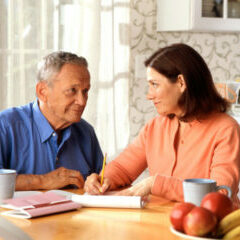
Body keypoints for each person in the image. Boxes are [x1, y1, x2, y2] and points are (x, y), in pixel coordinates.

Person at [84, 43, 240, 205]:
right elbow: (123, 168)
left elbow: (221, 193)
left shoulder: (226, 129)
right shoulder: (155, 127)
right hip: (161, 222)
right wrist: (102, 179)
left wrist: (155, 184)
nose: (149, 95)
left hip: (209, 227)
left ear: (181, 82)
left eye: (155, 84)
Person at [0, 51, 103, 190]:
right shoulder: (6, 125)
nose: (82, 101)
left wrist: (101, 183)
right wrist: (42, 181)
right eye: (72, 90)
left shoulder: (86, 132)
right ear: (43, 92)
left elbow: (102, 183)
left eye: (85, 91)